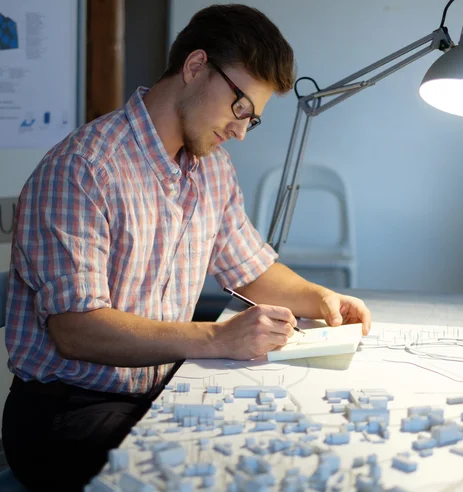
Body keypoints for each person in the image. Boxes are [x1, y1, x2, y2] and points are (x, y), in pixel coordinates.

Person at [2, 4, 371, 490]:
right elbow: (77, 330)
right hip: (66, 413)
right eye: (241, 109)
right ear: (196, 67)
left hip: (158, 390)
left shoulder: (210, 168)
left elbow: (250, 269)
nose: (241, 130)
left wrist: (320, 298)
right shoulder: (83, 168)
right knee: (220, 472)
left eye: (252, 120)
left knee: (278, 447)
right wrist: (218, 338)